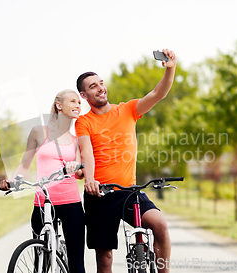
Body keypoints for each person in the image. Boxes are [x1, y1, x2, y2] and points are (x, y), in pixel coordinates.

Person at [75, 49, 177, 273]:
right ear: (84, 95)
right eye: (93, 86)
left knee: (159, 224)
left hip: (130, 192)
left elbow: (158, 94)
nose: (101, 88)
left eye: (101, 83)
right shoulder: (84, 122)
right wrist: (90, 179)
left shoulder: (128, 109)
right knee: (105, 259)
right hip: (99, 194)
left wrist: (171, 69)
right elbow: (86, 153)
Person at [0, 89, 86, 273]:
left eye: (79, 102)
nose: (78, 105)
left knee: (77, 265)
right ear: (59, 105)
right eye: (73, 101)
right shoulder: (39, 132)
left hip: (71, 203)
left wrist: (76, 167)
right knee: (41, 263)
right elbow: (24, 165)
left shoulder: (76, 140)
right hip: (42, 203)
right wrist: (12, 180)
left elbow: (79, 167)